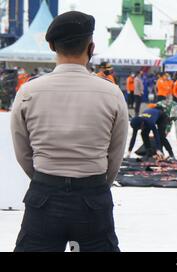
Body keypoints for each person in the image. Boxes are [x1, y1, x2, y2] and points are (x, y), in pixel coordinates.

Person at [10, 11, 128, 252]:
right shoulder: (112, 94)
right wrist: (96, 184)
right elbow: (115, 155)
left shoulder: (29, 92)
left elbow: (22, 152)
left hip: (44, 196)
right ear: (91, 47)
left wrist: (45, 180)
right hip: (93, 197)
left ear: (52, 45)